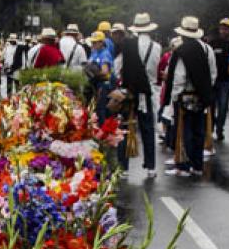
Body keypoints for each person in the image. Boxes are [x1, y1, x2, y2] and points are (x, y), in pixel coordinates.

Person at [165, 16, 217, 177]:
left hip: (185, 95)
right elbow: (212, 73)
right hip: (202, 95)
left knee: (183, 130)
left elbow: (179, 77)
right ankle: (198, 164)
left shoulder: (182, 51)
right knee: (199, 130)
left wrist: (175, 96)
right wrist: (206, 90)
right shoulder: (207, 49)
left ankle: (184, 165)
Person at [116, 13, 161, 178]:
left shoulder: (128, 45)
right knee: (148, 129)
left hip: (130, 92)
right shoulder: (156, 47)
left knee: (125, 128)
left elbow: (118, 68)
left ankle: (124, 167)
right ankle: (151, 167)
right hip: (147, 91)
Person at [208, 17, 229, 140]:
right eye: (222, 28)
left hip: (226, 81)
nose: (223, 30)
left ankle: (220, 129)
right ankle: (210, 128)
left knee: (223, 106)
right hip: (213, 80)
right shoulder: (213, 43)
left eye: (226, 28)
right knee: (211, 106)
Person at [86, 30, 114, 123]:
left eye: (95, 42)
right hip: (95, 84)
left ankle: (102, 130)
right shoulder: (94, 52)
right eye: (92, 42)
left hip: (103, 84)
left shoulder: (105, 53)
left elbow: (105, 72)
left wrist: (94, 72)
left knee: (100, 109)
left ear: (102, 42)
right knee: (94, 108)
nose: (93, 44)